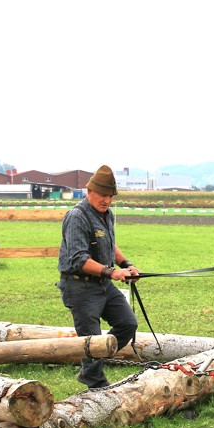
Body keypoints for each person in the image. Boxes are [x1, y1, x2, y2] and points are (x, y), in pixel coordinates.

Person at [57, 165, 140, 389]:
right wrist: (113, 272)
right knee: (91, 339)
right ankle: (95, 383)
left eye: (110, 196)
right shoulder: (77, 216)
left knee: (127, 324)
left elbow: (110, 245)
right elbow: (78, 260)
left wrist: (127, 265)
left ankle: (94, 362)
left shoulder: (107, 215)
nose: (107, 200)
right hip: (80, 287)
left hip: (103, 284)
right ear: (89, 191)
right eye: (103, 195)